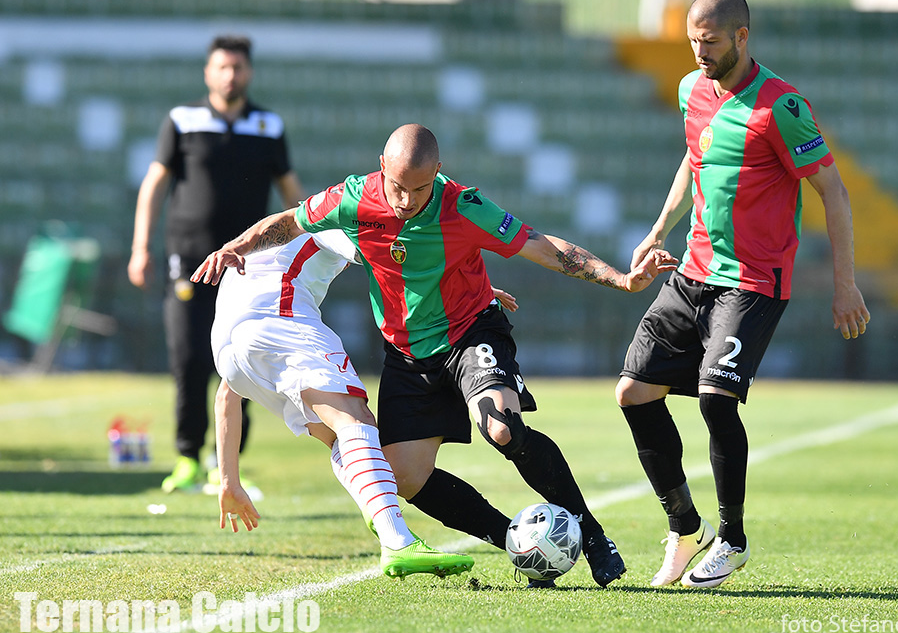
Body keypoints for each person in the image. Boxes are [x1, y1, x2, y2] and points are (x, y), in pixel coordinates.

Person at [192, 123, 677, 588]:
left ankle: (591, 533)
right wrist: (235, 247)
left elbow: (540, 245)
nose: (406, 201)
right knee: (401, 475)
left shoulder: (464, 205)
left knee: (502, 427)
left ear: (439, 172)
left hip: (470, 332)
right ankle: (513, 541)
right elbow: (289, 220)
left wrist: (621, 279)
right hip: (406, 355)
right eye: (398, 187)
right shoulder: (355, 198)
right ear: (382, 167)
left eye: (419, 190)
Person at [616, 0, 871, 589]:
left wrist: (845, 285)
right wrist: (656, 231)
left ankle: (731, 538)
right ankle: (685, 528)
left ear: (742, 36)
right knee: (632, 392)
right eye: (693, 42)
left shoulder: (782, 106)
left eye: (709, 42)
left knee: (714, 398)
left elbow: (833, 190)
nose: (699, 53)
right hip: (692, 273)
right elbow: (694, 159)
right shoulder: (690, 90)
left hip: (753, 283)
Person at [208, 225, 475, 579]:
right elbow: (385, 260)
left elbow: (227, 395)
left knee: (338, 437)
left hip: (229, 357)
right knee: (356, 421)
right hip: (281, 322)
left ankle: (378, 510)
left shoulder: (258, 254)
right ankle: (397, 540)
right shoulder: (330, 225)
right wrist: (463, 294)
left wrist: (229, 481)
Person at [128, 34, 304, 493]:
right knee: (188, 357)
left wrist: (308, 242)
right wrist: (140, 248)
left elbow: (292, 196)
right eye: (222, 67)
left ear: (249, 72)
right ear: (208, 73)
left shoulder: (268, 125)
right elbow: (154, 185)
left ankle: (222, 464)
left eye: (238, 68)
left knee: (240, 357)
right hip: (187, 258)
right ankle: (187, 457)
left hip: (249, 265)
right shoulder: (182, 120)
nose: (231, 75)